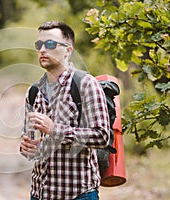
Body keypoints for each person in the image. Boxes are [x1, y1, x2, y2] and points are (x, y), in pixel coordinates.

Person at [20, 21, 110, 200]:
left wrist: (55, 130)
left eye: (51, 44)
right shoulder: (33, 91)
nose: (43, 49)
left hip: (78, 194)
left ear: (68, 50)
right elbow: (29, 144)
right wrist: (27, 148)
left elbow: (102, 136)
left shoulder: (85, 84)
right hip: (40, 193)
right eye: (39, 44)